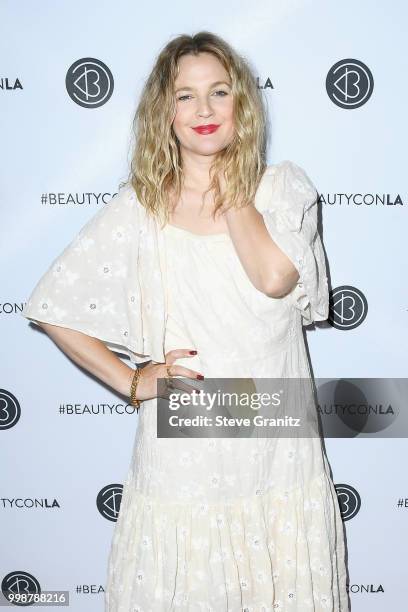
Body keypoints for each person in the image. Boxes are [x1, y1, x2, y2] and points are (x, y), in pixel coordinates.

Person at [21, 31, 350, 612]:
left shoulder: (283, 188)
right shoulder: (142, 206)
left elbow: (275, 278)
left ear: (240, 106)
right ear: (164, 113)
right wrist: (131, 380)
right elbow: (52, 307)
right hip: (189, 431)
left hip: (276, 430)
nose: (203, 110)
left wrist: (233, 186)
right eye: (185, 96)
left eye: (218, 92)